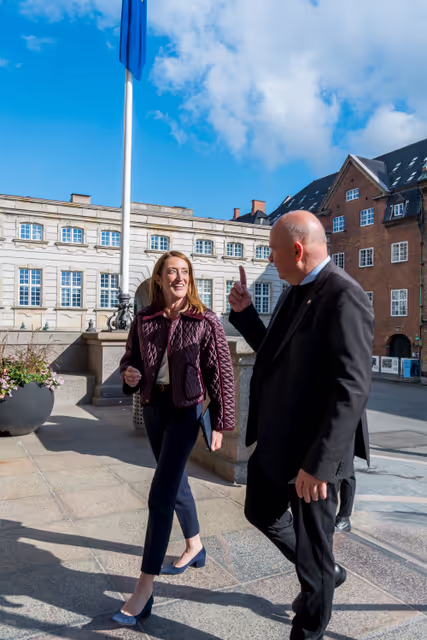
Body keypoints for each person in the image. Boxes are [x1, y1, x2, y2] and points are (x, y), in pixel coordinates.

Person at [228, 210, 373, 640]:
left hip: (313, 455)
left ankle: (308, 626)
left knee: (313, 558)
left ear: (297, 249)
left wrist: (320, 464)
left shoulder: (344, 295)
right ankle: (328, 570)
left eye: (273, 251)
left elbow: (352, 388)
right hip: (277, 443)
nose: (271, 260)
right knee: (260, 512)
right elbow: (277, 353)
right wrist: (246, 313)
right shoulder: (298, 289)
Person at [113, 251, 235, 626]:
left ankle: (144, 588)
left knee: (161, 493)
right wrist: (129, 373)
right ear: (160, 279)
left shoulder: (205, 320)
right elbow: (129, 359)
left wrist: (220, 421)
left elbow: (221, 373)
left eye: (184, 272)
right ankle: (195, 545)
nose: (178, 278)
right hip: (154, 408)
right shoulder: (144, 319)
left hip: (187, 411)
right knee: (176, 478)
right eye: (172, 272)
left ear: (190, 279)